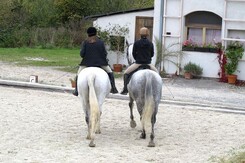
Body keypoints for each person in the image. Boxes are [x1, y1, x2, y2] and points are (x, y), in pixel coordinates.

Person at [73, 26, 118, 96]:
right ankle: (113, 88)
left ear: (88, 34)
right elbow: (105, 53)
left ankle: (76, 90)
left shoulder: (85, 42)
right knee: (110, 72)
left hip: (87, 63)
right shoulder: (101, 42)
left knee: (78, 74)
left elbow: (82, 54)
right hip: (100, 63)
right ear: (96, 33)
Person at [120, 27, 158, 95]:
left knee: (126, 73)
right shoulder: (150, 43)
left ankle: (125, 89)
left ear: (140, 34)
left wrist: (137, 59)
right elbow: (152, 54)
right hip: (148, 64)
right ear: (147, 35)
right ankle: (156, 91)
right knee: (157, 75)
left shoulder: (136, 43)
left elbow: (134, 53)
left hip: (138, 63)